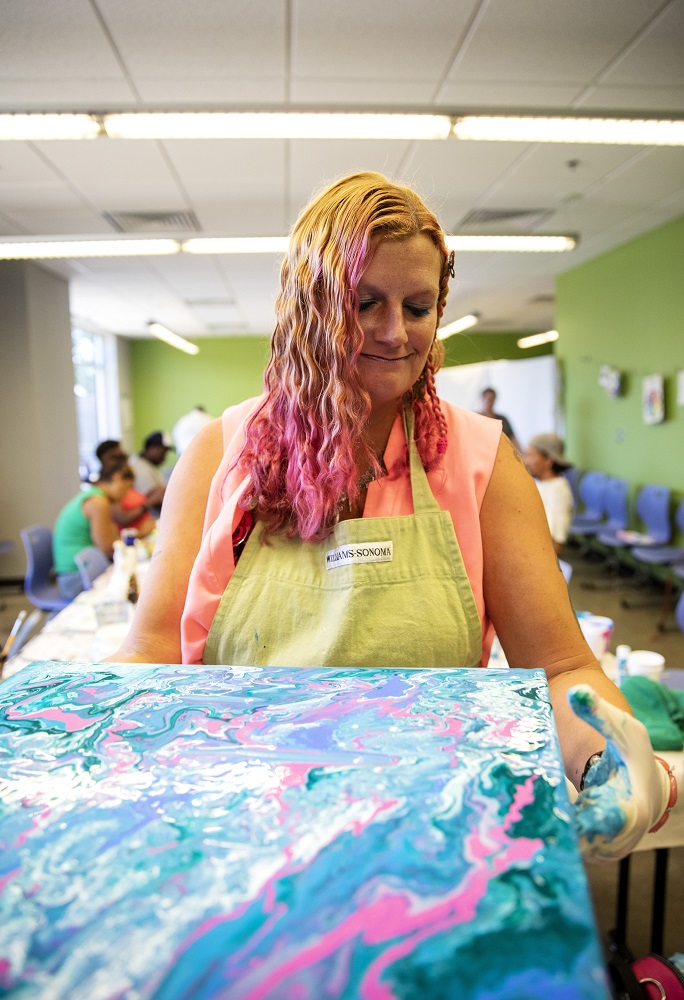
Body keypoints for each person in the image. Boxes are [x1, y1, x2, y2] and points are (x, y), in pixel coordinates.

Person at [108, 171, 675, 861]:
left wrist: (608, 756)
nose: (394, 332)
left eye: (418, 306)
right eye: (365, 301)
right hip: (245, 835)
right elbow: (151, 653)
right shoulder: (221, 454)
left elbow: (560, 669)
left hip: (431, 842)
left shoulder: (482, 462)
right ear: (309, 305)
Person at [53, 457, 134, 600]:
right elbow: (108, 547)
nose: (125, 495)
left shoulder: (92, 496)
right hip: (75, 577)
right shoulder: (98, 503)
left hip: (72, 572)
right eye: (126, 488)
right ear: (117, 478)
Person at [523, 433, 575, 554]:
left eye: (530, 455)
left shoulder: (558, 491)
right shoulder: (541, 484)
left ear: (548, 461)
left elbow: (556, 542)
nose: (525, 461)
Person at [95, 440, 156, 537]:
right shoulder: (99, 500)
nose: (126, 493)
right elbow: (109, 545)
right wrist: (139, 534)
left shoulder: (104, 496)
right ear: (117, 477)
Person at [128, 431, 174, 515]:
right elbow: (156, 499)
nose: (165, 456)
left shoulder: (149, 464)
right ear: (152, 448)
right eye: (163, 451)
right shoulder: (138, 467)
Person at [478, 387, 521, 452]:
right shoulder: (475, 418)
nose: (490, 403)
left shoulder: (502, 419)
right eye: (489, 399)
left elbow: (513, 439)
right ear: (482, 399)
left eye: (492, 400)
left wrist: (521, 454)